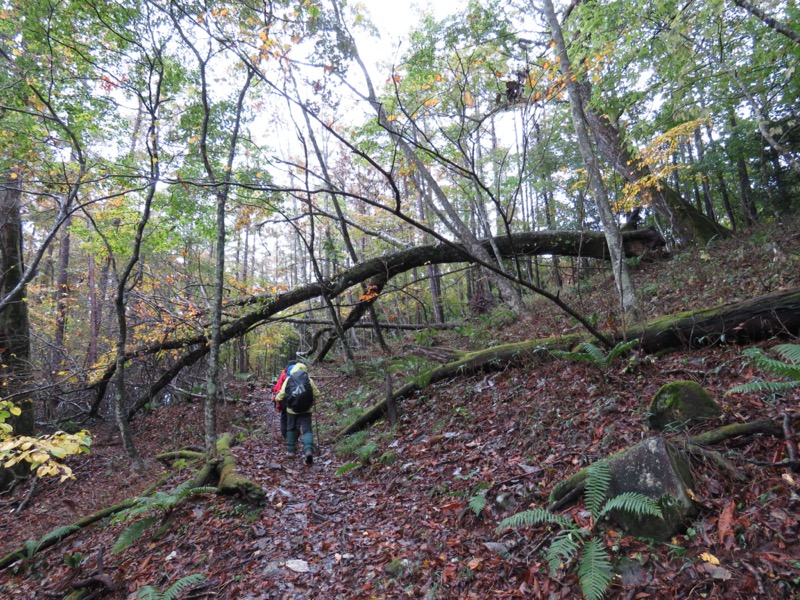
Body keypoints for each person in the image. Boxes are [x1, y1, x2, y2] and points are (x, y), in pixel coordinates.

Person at [274, 362, 319, 465]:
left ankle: (291, 451)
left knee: (291, 428)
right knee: (307, 429)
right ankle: (308, 449)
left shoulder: (289, 379)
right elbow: (317, 393)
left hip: (291, 410)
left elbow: (282, 394)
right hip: (307, 410)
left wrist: (276, 398)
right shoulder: (308, 379)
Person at [272, 361, 295, 438]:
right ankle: (292, 435)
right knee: (293, 417)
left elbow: (278, 387)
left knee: (284, 416)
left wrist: (275, 396)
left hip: (284, 399)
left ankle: (285, 435)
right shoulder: (301, 375)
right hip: (295, 399)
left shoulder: (284, 375)